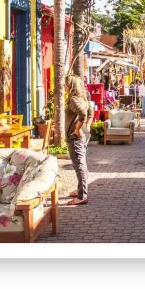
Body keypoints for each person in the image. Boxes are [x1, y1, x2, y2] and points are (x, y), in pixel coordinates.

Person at [65, 74, 94, 206]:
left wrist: (77, 129)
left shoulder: (73, 99)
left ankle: (82, 195)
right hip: (83, 134)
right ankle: (80, 190)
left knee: (79, 164)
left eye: (66, 83)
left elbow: (83, 112)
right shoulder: (82, 98)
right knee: (80, 163)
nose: (64, 86)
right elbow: (90, 111)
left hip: (76, 136)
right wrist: (87, 125)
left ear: (71, 85)